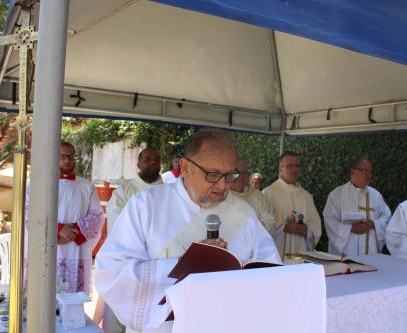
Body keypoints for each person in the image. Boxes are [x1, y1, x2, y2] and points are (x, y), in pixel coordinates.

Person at [95, 129, 280, 333]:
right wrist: (185, 265)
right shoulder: (146, 205)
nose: (222, 185)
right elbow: (110, 273)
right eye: (213, 174)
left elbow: (272, 272)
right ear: (185, 167)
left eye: (229, 175)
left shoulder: (244, 215)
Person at [25, 141, 103, 295]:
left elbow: (97, 216)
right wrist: (58, 229)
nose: (68, 160)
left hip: (76, 247)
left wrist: (73, 232)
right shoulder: (35, 184)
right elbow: (28, 213)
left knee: (71, 305)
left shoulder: (86, 186)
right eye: (63, 157)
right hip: (45, 246)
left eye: (71, 156)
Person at [323, 158, 391, 256]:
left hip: (370, 254)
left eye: (370, 172)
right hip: (345, 255)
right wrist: (350, 229)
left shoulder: (376, 195)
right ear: (352, 172)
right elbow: (329, 219)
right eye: (364, 170)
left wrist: (374, 224)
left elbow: (387, 217)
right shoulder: (337, 194)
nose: (369, 175)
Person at [263, 152, 321, 257]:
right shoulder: (268, 193)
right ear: (280, 168)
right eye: (290, 166)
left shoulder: (306, 196)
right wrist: (283, 228)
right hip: (277, 255)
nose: (294, 170)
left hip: (301, 254)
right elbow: (263, 225)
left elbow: (316, 225)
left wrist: (307, 230)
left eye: (297, 166)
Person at [106, 147, 163, 232]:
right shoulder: (123, 191)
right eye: (147, 159)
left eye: (156, 160)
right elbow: (116, 224)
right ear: (138, 164)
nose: (153, 162)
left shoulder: (169, 192)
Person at [230, 159, 276, 233]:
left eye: (243, 173)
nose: (240, 177)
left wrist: (252, 228)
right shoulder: (221, 196)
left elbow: (270, 222)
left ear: (247, 175)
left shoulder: (260, 197)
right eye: (236, 173)